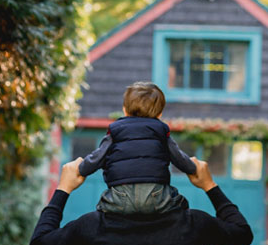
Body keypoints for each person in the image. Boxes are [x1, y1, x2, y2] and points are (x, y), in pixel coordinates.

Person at [29, 155, 253, 245]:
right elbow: (242, 233)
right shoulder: (193, 224)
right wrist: (210, 186)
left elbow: (40, 242)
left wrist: (63, 188)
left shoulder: (93, 226)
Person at [78, 81, 196, 215]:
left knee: (102, 209)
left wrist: (81, 168)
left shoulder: (116, 130)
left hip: (120, 196)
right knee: (181, 203)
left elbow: (98, 157)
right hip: (156, 197)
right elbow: (179, 158)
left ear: (125, 110)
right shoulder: (161, 131)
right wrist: (193, 167)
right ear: (159, 114)